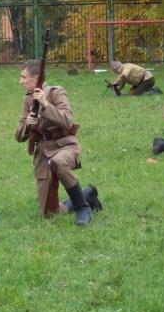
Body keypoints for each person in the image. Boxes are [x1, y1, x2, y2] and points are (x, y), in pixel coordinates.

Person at [14, 60, 101, 226]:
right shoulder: (27, 100)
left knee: (58, 162)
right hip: (43, 152)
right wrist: (28, 125)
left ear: (36, 77)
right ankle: (87, 195)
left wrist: (45, 105)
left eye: (23, 77)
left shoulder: (56, 92)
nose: (21, 81)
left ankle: (83, 208)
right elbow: (18, 136)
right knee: (48, 214)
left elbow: (68, 121)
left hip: (65, 145)